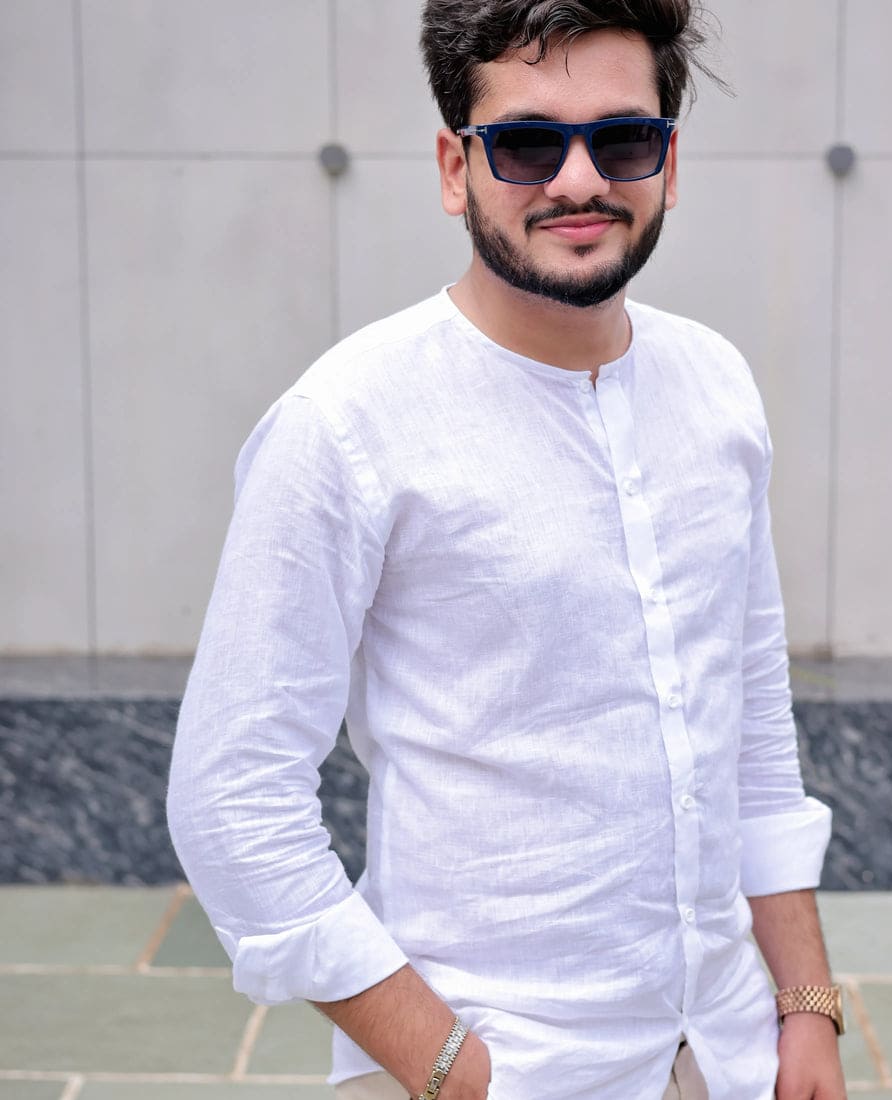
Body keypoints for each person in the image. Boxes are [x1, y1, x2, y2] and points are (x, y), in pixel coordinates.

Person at [167, 3, 847, 1098]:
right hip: (494, 1062)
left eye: (622, 139)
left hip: (723, 1051)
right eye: (528, 143)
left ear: (668, 165)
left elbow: (753, 727)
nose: (579, 180)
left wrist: (805, 1006)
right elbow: (231, 798)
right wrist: (450, 1068)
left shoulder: (716, 387)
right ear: (456, 168)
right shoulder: (347, 423)